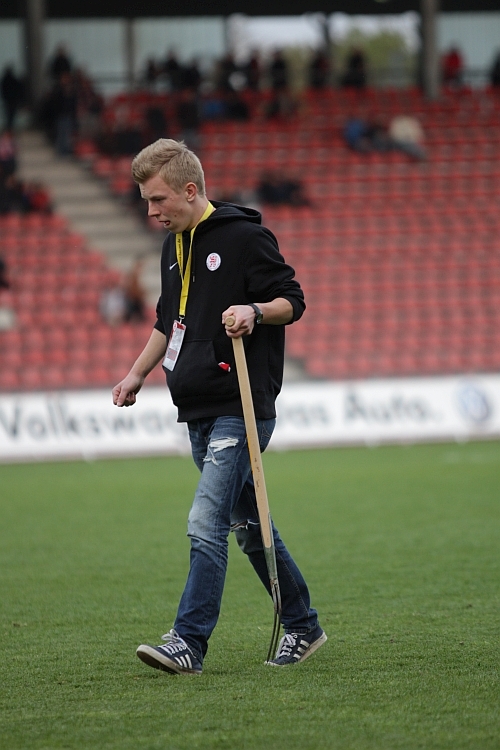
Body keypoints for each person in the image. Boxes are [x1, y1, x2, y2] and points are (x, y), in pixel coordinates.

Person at [112, 139, 326, 675]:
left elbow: (293, 300)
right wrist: (137, 373)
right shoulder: (172, 246)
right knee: (250, 527)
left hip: (242, 406)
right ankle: (303, 625)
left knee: (205, 520)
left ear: (190, 190)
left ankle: (189, 641)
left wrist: (255, 310)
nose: (150, 211)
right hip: (197, 409)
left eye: (157, 199)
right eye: (146, 200)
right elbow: (168, 323)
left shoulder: (245, 237)